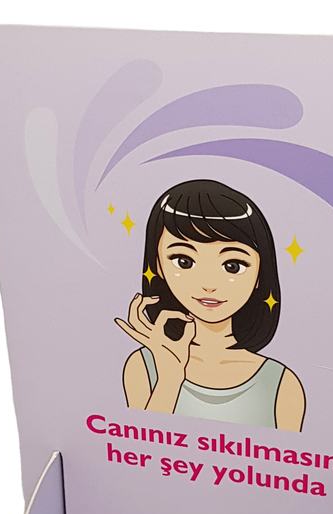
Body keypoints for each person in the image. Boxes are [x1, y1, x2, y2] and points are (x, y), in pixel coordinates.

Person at [114, 179, 306, 432]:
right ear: (158, 265)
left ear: (260, 273)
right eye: (183, 261)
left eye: (232, 266)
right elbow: (139, 445)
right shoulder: (144, 366)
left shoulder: (280, 384)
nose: (208, 284)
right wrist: (170, 378)